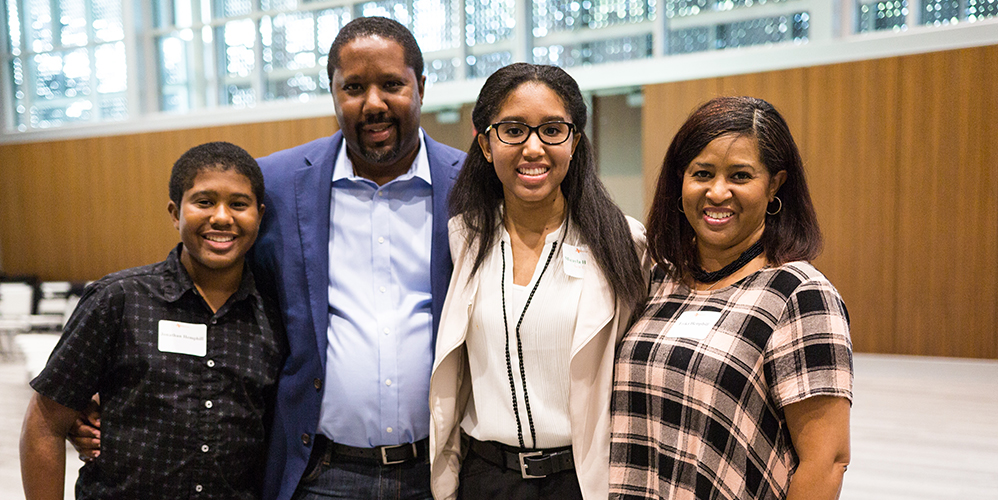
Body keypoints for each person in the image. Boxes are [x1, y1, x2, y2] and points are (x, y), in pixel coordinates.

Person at [67, 16, 464, 500]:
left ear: (420, 87)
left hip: (442, 470)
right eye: (354, 87)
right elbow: (210, 282)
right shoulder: (275, 184)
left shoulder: (471, 185)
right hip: (318, 471)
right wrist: (104, 395)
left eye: (392, 85)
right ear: (334, 92)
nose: (373, 103)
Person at [609, 96, 853, 500]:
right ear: (680, 181)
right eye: (702, 173)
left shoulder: (799, 294)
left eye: (740, 176)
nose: (717, 192)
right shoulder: (658, 276)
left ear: (775, 184)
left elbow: (827, 461)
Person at [428, 63, 647, 500]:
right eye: (513, 130)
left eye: (552, 130)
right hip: (486, 478)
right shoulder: (463, 238)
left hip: (580, 481)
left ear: (575, 141)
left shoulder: (624, 243)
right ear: (486, 144)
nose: (533, 148)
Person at [20, 141, 286, 499]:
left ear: (260, 214)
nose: (222, 217)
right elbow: (45, 423)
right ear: (176, 213)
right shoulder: (119, 299)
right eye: (204, 201)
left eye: (239, 204)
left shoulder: (274, 315)